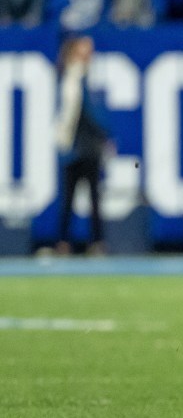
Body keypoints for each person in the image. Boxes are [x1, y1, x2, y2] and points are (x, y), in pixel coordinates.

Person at [55, 35, 110, 255]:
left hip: (77, 146)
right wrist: (105, 134)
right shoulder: (75, 77)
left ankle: (69, 241)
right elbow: (86, 112)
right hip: (82, 147)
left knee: (82, 198)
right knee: (84, 198)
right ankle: (88, 241)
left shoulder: (73, 76)